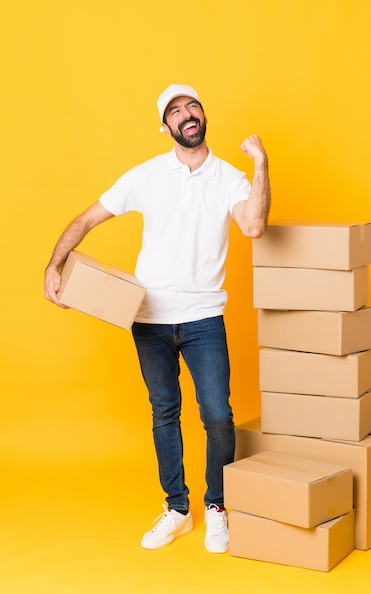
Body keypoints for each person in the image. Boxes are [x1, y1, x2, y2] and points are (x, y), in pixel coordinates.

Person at [44, 84, 271, 554]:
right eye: (175, 111)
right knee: (164, 413)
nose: (186, 114)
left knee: (218, 415)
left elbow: (253, 225)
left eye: (192, 106)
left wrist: (261, 164)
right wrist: (54, 264)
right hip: (148, 320)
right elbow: (85, 221)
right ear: (165, 126)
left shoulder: (229, 177)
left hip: (205, 317)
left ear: (202, 116)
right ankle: (177, 509)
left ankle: (215, 508)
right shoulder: (145, 176)